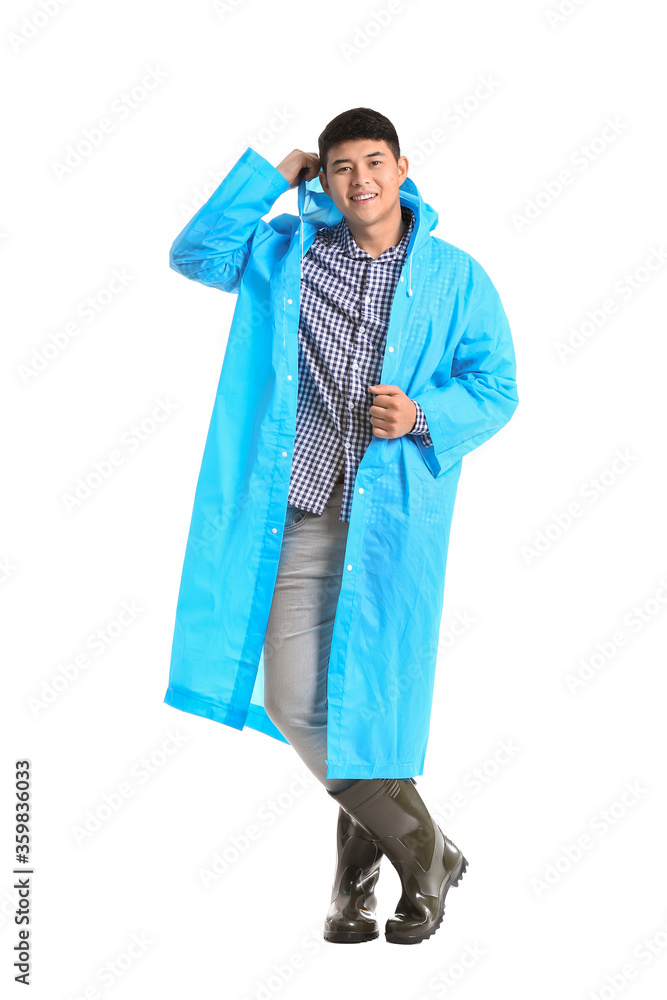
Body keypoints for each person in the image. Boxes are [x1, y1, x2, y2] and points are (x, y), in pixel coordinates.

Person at [164, 107, 519, 945]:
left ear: (403, 167)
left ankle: (360, 890)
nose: (357, 181)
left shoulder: (453, 276)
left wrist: (425, 412)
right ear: (320, 178)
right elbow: (195, 254)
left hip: (388, 525)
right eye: (338, 168)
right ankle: (426, 850)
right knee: (295, 703)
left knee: (370, 707)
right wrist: (267, 178)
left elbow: (496, 384)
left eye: (372, 163)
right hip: (289, 517)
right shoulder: (284, 256)